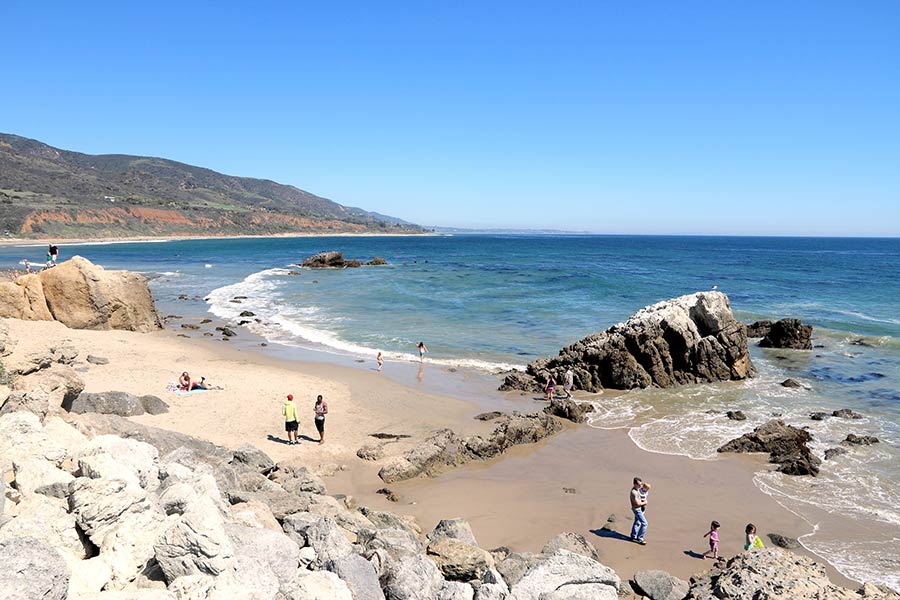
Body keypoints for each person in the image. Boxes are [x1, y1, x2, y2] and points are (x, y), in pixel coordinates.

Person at [630, 477, 648, 545]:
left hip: (639, 509)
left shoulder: (637, 489)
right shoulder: (634, 492)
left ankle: (633, 536)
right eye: (639, 484)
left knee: (637, 522)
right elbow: (637, 503)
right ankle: (640, 538)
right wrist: (645, 502)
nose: (640, 486)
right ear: (634, 484)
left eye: (641, 484)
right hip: (637, 510)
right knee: (645, 523)